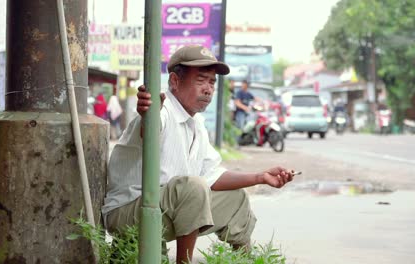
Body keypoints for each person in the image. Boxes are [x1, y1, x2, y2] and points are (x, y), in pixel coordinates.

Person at [102, 45, 295, 263]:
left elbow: (212, 174)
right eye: (200, 80)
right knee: (193, 187)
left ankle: (244, 260)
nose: (208, 89)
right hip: (128, 212)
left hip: (163, 209)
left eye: (212, 82)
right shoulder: (162, 110)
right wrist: (148, 112)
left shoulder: (196, 123)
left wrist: (260, 177)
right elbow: (150, 128)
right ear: (175, 81)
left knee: (236, 197)